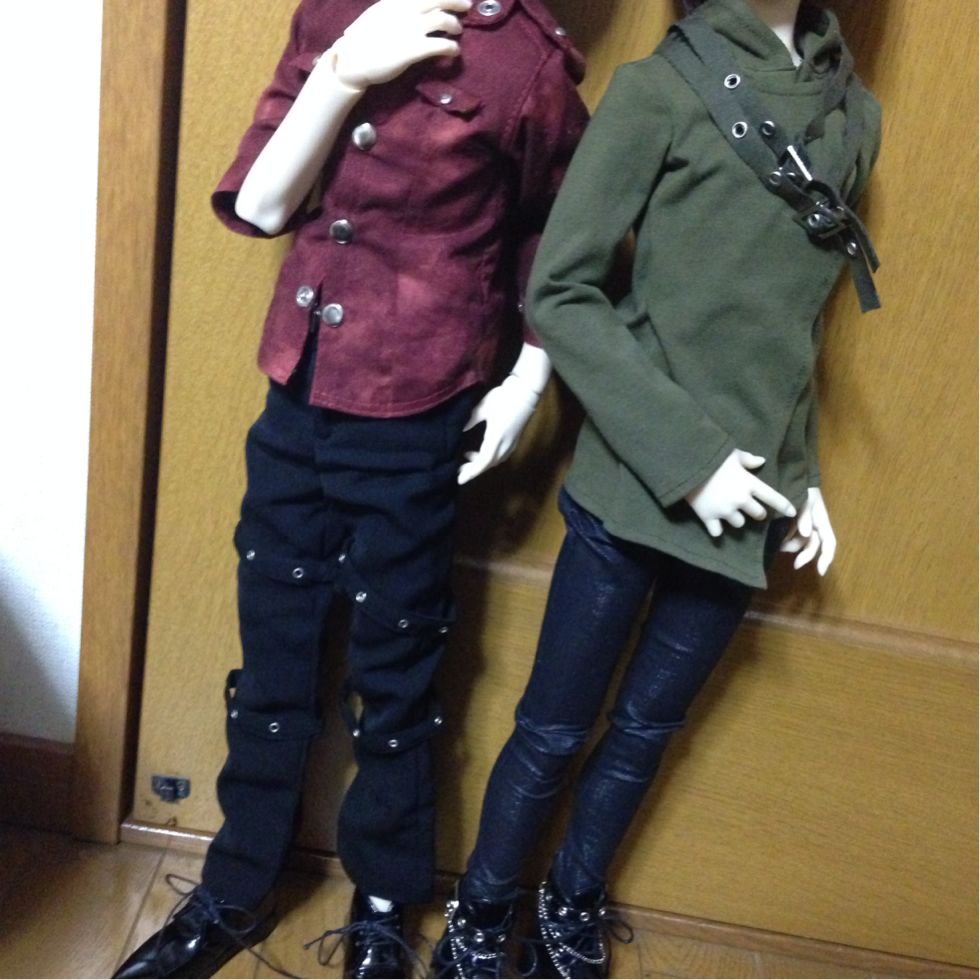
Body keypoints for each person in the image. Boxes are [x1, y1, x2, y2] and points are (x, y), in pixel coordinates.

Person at [112, 1, 587, 977]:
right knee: (272, 657)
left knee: (398, 670)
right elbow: (260, 205)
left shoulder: (527, 65)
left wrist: (530, 373)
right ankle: (238, 884)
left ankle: (383, 898)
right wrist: (338, 72)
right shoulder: (334, 12)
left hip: (420, 408)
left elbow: (556, 228)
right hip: (298, 391)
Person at [432, 0, 882, 976]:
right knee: (553, 729)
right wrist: (689, 458)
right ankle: (480, 919)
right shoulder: (658, 91)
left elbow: (798, 330)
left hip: (750, 500)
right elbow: (561, 288)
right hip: (634, 483)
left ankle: (570, 900)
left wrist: (800, 474)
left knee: (645, 732)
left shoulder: (853, 114)